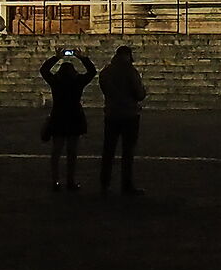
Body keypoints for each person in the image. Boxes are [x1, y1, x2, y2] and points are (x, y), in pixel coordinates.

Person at [40, 47, 97, 191]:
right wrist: (82, 57)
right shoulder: (78, 82)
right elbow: (92, 71)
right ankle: (70, 180)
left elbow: (44, 70)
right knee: (72, 152)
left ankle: (55, 180)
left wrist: (56, 57)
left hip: (58, 116)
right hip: (74, 116)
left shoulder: (56, 82)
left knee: (56, 151)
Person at [98, 45, 147, 194]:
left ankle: (104, 183)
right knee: (128, 152)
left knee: (108, 150)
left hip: (112, 113)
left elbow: (104, 88)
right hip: (129, 114)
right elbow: (139, 94)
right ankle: (126, 184)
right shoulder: (130, 72)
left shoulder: (106, 72)